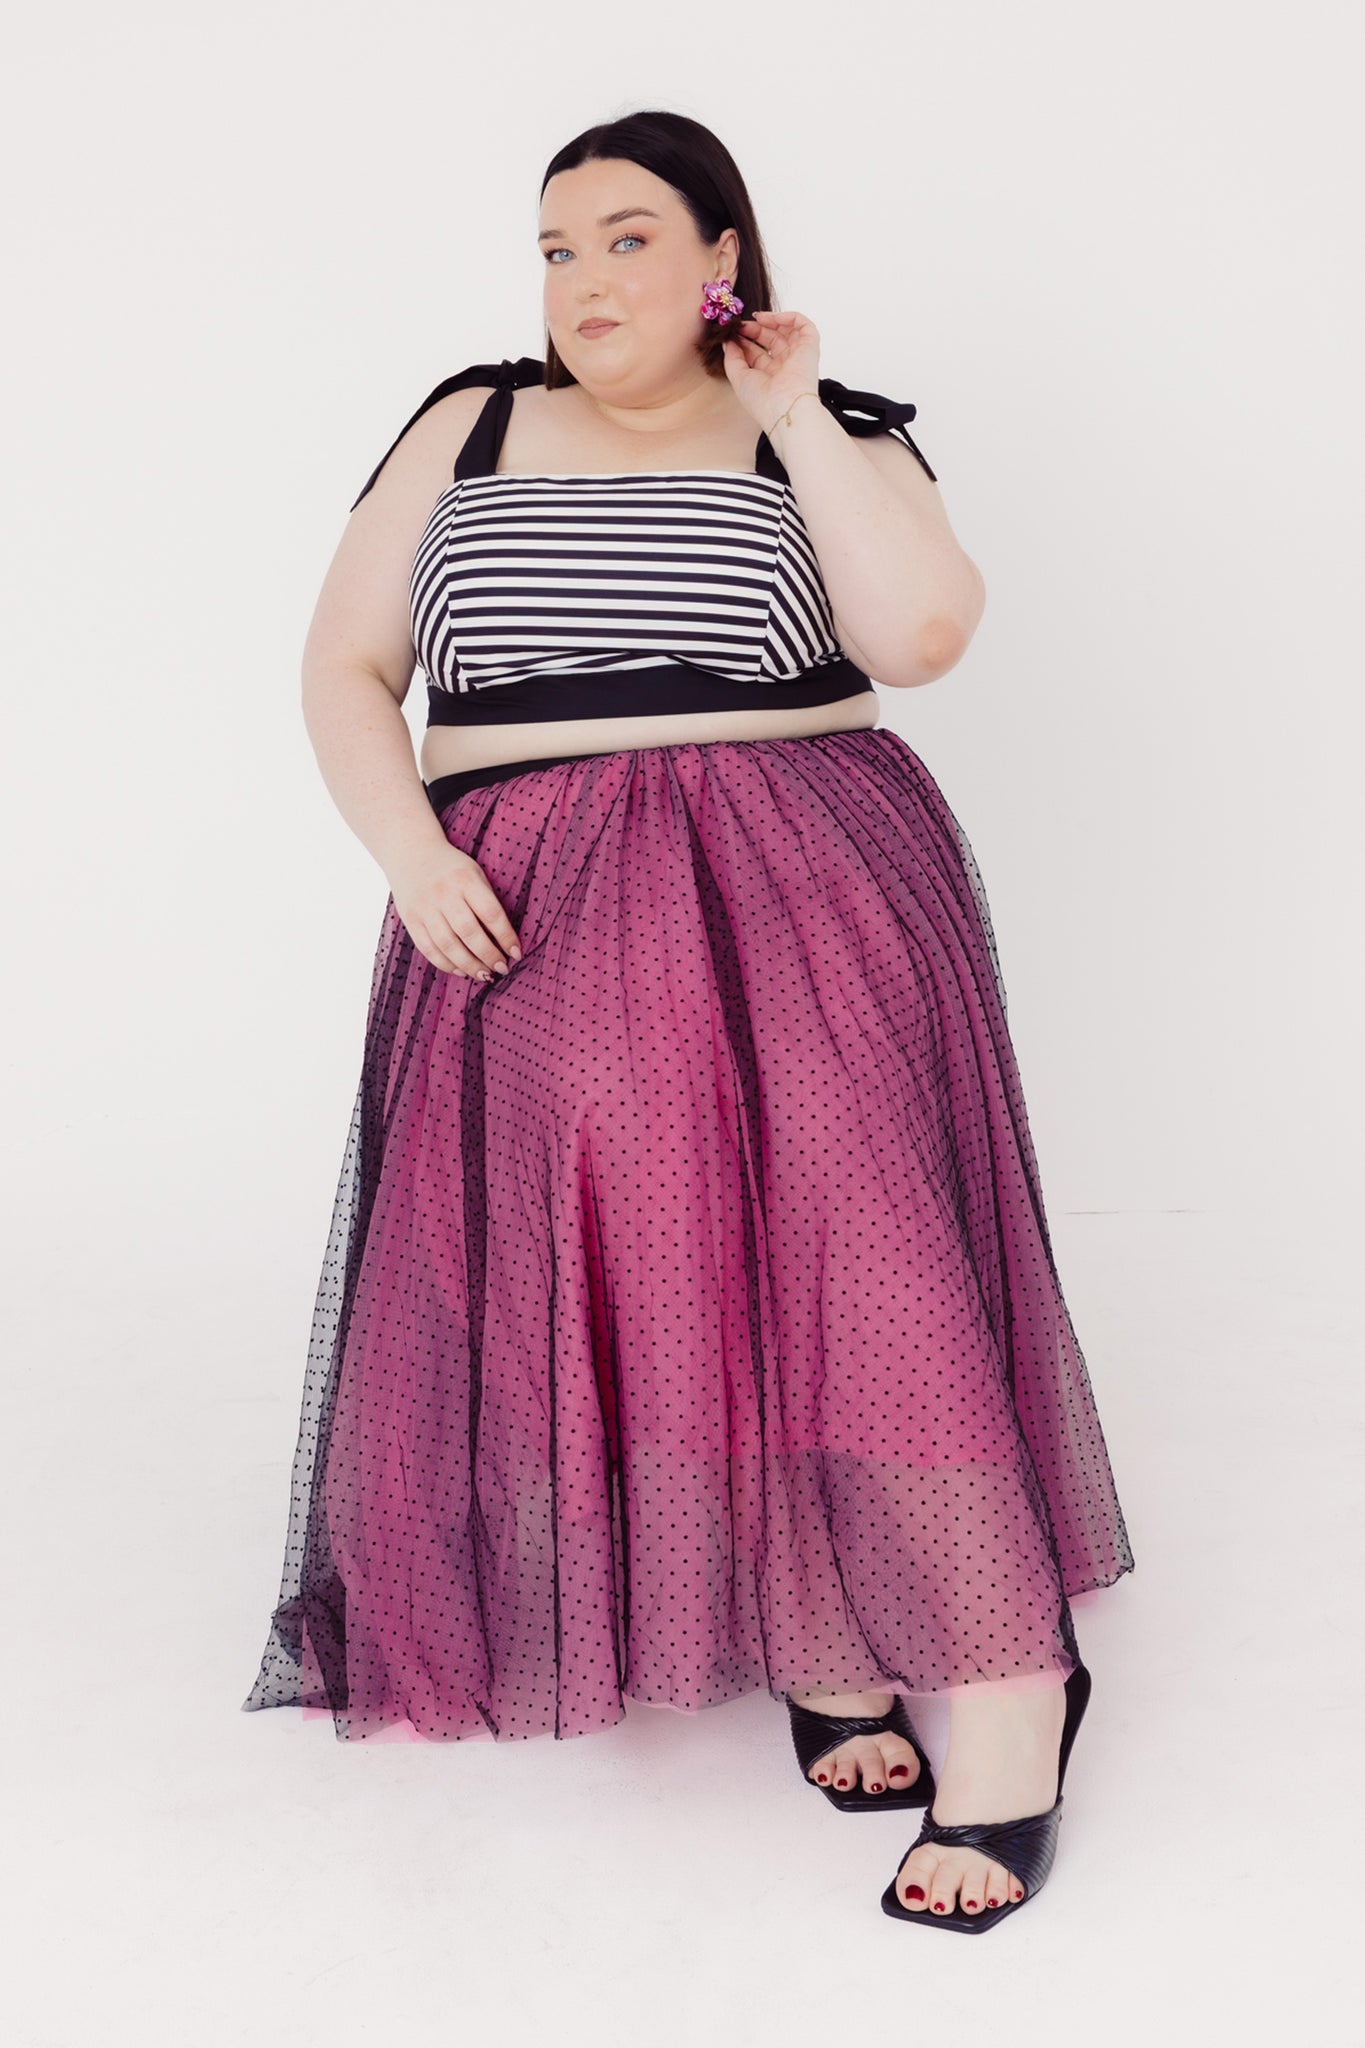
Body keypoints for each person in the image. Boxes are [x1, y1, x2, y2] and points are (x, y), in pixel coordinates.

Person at [241, 109, 1134, 1934]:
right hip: (529, 914)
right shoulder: (465, 424)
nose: (580, 281)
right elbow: (343, 665)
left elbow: (923, 635)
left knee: (865, 1262)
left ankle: (1008, 1694)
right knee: (661, 1277)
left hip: (806, 885)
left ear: (722, 256)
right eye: (555, 247)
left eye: (628, 239)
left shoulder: (828, 424)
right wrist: (410, 852)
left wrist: (795, 412)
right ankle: (822, 1633)